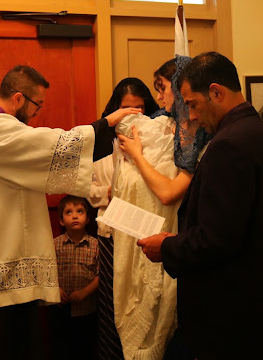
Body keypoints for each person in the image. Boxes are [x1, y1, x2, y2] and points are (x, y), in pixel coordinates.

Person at [0, 65, 139, 360]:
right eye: (38, 105)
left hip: (4, 251)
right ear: (19, 98)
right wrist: (106, 124)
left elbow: (42, 153)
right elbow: (50, 146)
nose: (37, 113)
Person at [137, 51, 263, 360]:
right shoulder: (253, 129)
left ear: (216, 92)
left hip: (226, 312)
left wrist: (167, 247)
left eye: (192, 104)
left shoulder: (229, 144)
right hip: (248, 302)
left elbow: (217, 239)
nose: (191, 116)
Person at [110, 55, 211, 360]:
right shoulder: (167, 125)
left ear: (179, 89)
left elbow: (168, 193)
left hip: (181, 237)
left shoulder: (197, 132)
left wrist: (138, 156)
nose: (158, 97)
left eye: (162, 88)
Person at [89, 77, 159, 360]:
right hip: (110, 231)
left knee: (140, 298)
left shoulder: (155, 138)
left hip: (142, 231)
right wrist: (108, 192)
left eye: (139, 108)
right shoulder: (101, 142)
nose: (133, 114)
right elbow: (86, 187)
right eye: (126, 108)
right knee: (111, 299)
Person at [51, 195, 99, 360]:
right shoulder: (54, 245)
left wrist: (85, 292)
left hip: (87, 310)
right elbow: (47, 272)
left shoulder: (95, 245)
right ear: (61, 221)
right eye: (69, 212)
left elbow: (100, 275)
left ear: (88, 219)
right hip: (60, 309)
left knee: (84, 350)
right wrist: (56, 290)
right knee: (62, 350)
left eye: (80, 211)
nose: (75, 216)